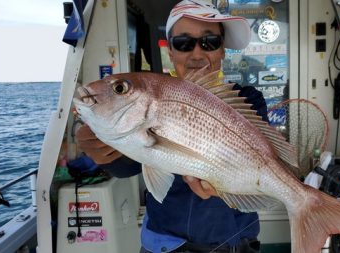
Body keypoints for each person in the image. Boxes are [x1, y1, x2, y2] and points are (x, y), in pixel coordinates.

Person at [76, 0, 267, 252]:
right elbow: (129, 165)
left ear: (222, 50)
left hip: (234, 239)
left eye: (210, 41)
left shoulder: (248, 100)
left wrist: (228, 189)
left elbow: (260, 171)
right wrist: (101, 149)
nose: (197, 53)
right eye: (183, 43)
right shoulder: (151, 100)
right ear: (171, 52)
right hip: (166, 243)